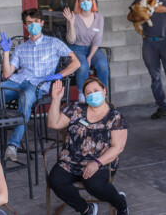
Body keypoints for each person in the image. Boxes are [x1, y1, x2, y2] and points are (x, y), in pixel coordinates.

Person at [0, 8, 80, 161]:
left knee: (25, 98)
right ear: (25, 26)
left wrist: (60, 74)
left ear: (41, 23)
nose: (32, 25)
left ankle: (13, 145)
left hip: (37, 85)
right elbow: (7, 74)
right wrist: (6, 52)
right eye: (29, 23)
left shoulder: (53, 43)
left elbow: (76, 62)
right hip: (17, 81)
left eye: (35, 22)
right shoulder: (21, 48)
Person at [47, 78, 129, 215]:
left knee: (93, 184)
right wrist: (55, 99)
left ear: (104, 91)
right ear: (85, 97)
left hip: (101, 163)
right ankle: (85, 209)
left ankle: (121, 204)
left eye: (96, 90)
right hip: (70, 161)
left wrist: (96, 163)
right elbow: (53, 124)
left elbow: (118, 147)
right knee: (55, 180)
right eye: (88, 93)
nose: (93, 94)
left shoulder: (115, 118)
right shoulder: (75, 109)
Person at [64, 0, 109, 101]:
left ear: (92, 2)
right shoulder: (73, 17)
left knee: (103, 65)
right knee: (83, 66)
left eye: (88, 0)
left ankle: (102, 93)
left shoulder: (99, 18)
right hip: (76, 48)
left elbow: (97, 40)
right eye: (82, 1)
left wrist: (90, 56)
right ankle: (82, 94)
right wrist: (71, 22)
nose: (85, 3)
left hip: (93, 48)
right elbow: (71, 40)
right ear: (78, 3)